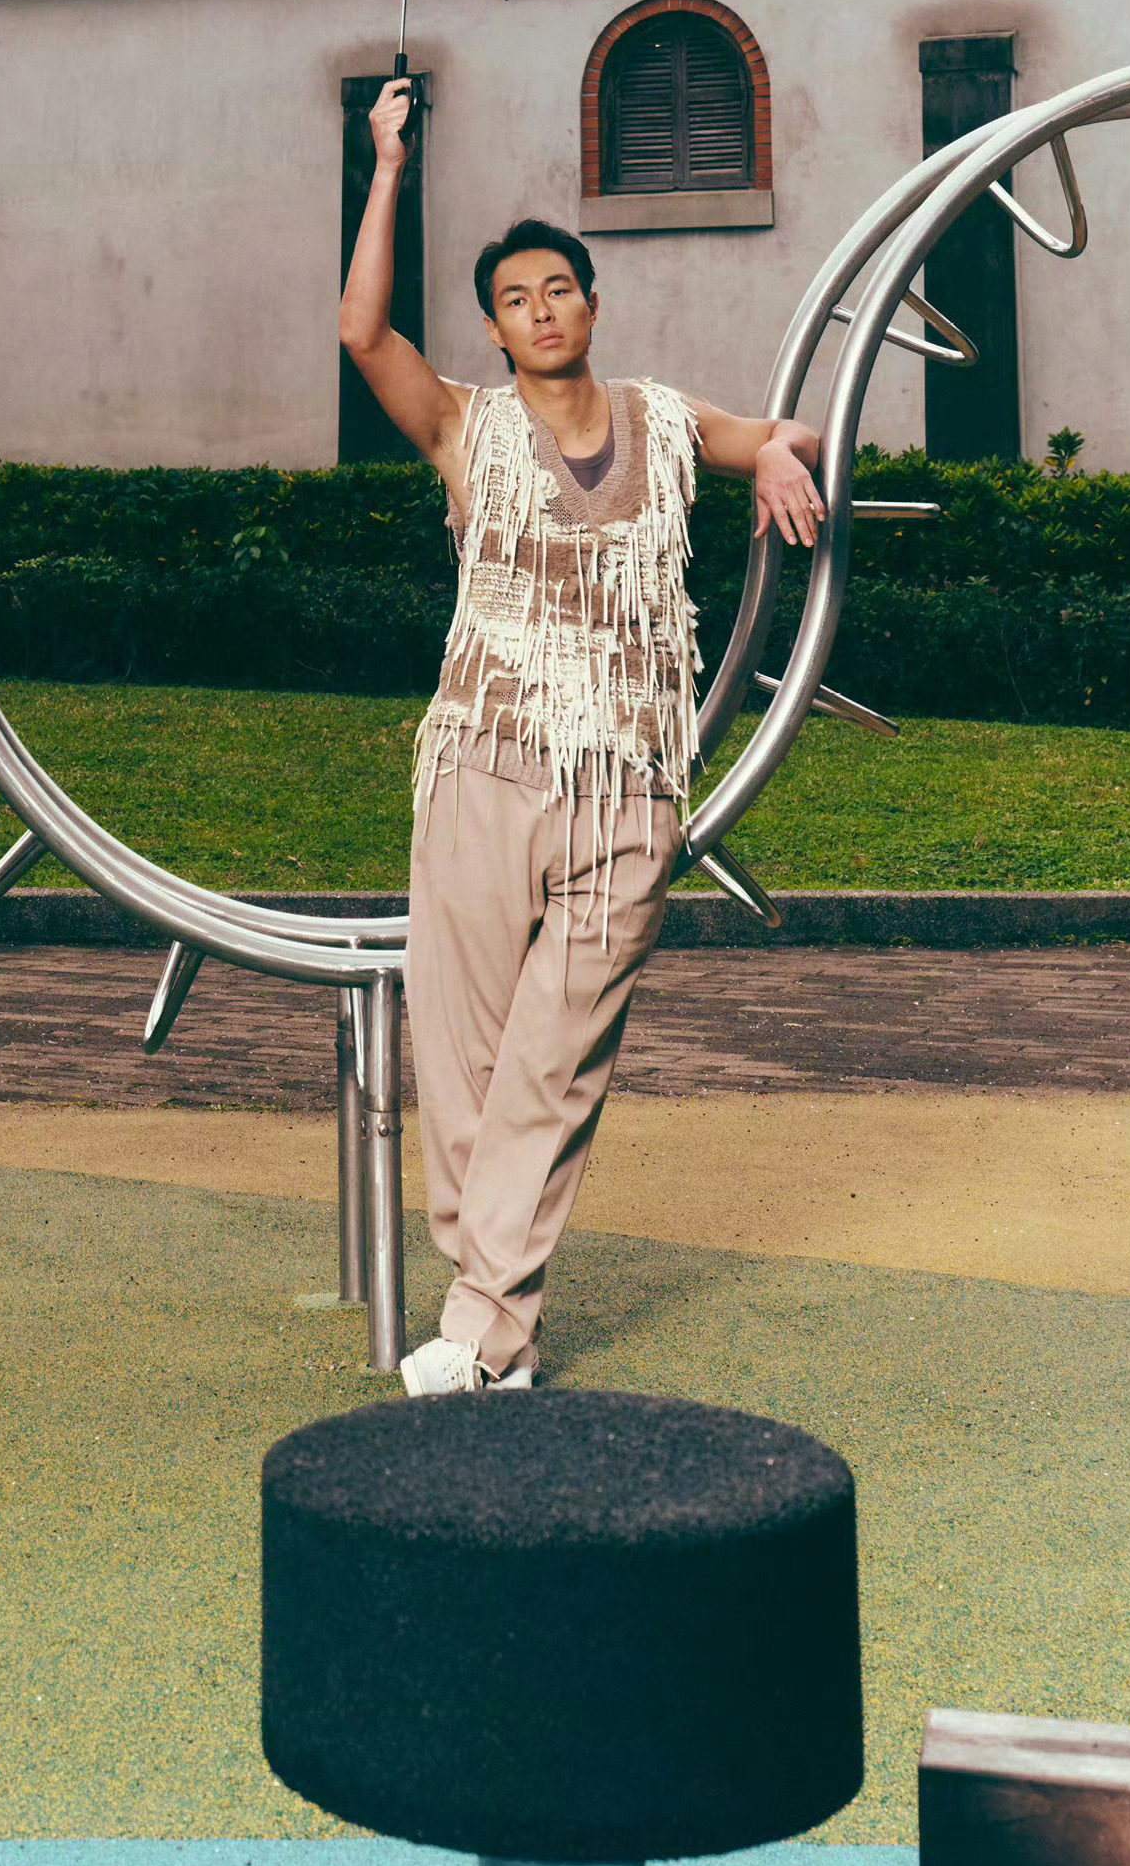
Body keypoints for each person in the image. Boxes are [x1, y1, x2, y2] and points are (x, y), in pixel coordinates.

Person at [339, 82, 825, 1396]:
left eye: (560, 288)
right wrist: (386, 165)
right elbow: (361, 330)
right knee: (465, 1064)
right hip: (480, 772)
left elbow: (778, 435)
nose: (542, 309)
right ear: (495, 328)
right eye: (517, 298)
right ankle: (495, 1330)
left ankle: (481, 1326)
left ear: (591, 305)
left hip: (625, 793)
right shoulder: (464, 425)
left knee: (553, 1066)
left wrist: (783, 456)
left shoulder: (664, 420)